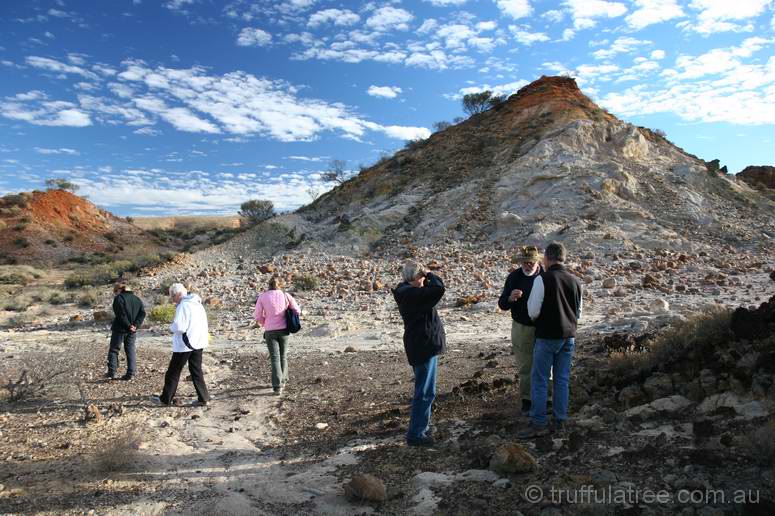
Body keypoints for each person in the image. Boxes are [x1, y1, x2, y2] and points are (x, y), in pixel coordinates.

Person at [519, 242, 582, 438]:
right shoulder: (575, 281)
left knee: (540, 380)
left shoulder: (542, 280)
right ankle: (560, 421)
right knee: (562, 380)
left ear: (547, 259)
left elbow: (533, 311)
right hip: (568, 336)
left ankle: (539, 423)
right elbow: (579, 312)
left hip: (547, 336)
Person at [392, 261, 446, 447]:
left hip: (418, 345)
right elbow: (439, 289)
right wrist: (430, 273)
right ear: (415, 278)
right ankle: (417, 434)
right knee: (425, 391)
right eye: (421, 276)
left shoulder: (404, 291)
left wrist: (425, 275)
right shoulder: (415, 295)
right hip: (424, 345)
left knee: (424, 389)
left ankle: (421, 428)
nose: (424, 279)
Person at [497, 246, 542, 415]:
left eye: (531, 262)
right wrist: (510, 298)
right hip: (521, 327)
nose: (528, 266)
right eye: (524, 262)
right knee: (525, 365)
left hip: (543, 327)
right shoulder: (514, 277)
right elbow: (502, 304)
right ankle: (527, 400)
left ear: (537, 262)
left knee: (546, 364)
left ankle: (548, 399)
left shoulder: (545, 276)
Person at [152, 283, 210, 407]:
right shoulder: (197, 303)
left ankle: (165, 399)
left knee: (173, 371)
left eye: (172, 297)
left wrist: (171, 327)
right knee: (196, 370)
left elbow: (179, 327)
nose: (172, 300)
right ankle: (204, 397)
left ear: (177, 294)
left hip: (185, 344)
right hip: (198, 342)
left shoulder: (183, 305)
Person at [254, 275, 301, 395]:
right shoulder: (286, 295)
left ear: (268, 285)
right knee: (283, 356)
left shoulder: (262, 297)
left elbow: (258, 316)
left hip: (270, 331)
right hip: (284, 330)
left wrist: (266, 323)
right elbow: (297, 310)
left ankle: (277, 386)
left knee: (274, 358)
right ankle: (283, 381)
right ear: (280, 284)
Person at [106, 282, 146, 381]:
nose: (115, 294)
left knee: (114, 350)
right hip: (132, 330)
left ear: (120, 290)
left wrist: (129, 326)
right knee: (130, 350)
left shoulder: (119, 298)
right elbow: (142, 313)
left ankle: (112, 372)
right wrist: (135, 325)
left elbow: (121, 315)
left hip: (120, 329)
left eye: (115, 291)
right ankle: (131, 373)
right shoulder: (137, 299)